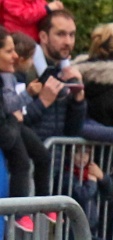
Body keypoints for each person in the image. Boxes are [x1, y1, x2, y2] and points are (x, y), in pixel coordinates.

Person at [0, 25, 54, 230]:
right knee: (21, 163)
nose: (15, 56)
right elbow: (9, 105)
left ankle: (43, 203)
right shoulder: (5, 76)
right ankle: (19, 212)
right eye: (9, 51)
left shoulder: (8, 74)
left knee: (42, 155)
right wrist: (29, 95)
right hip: (10, 128)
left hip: (13, 126)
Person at [22, 8, 85, 142]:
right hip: (29, 153)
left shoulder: (68, 73)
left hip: (56, 154)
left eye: (72, 35)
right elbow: (13, 121)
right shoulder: (25, 70)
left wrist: (78, 100)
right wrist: (42, 102)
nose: (68, 42)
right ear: (43, 37)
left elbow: (73, 132)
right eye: (61, 34)